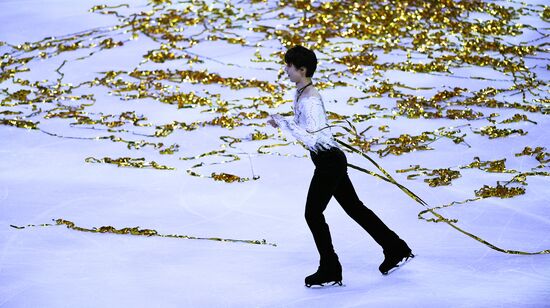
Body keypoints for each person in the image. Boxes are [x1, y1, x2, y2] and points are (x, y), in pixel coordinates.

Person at [267, 45, 414, 288]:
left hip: (329, 163)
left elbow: (311, 138)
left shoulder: (311, 99)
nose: (285, 69)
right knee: (354, 208)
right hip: (328, 159)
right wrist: (283, 122)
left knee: (313, 214)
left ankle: (330, 268)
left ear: (302, 70)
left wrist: (282, 123)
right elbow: (306, 126)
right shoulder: (301, 91)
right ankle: (395, 248)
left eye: (289, 66)